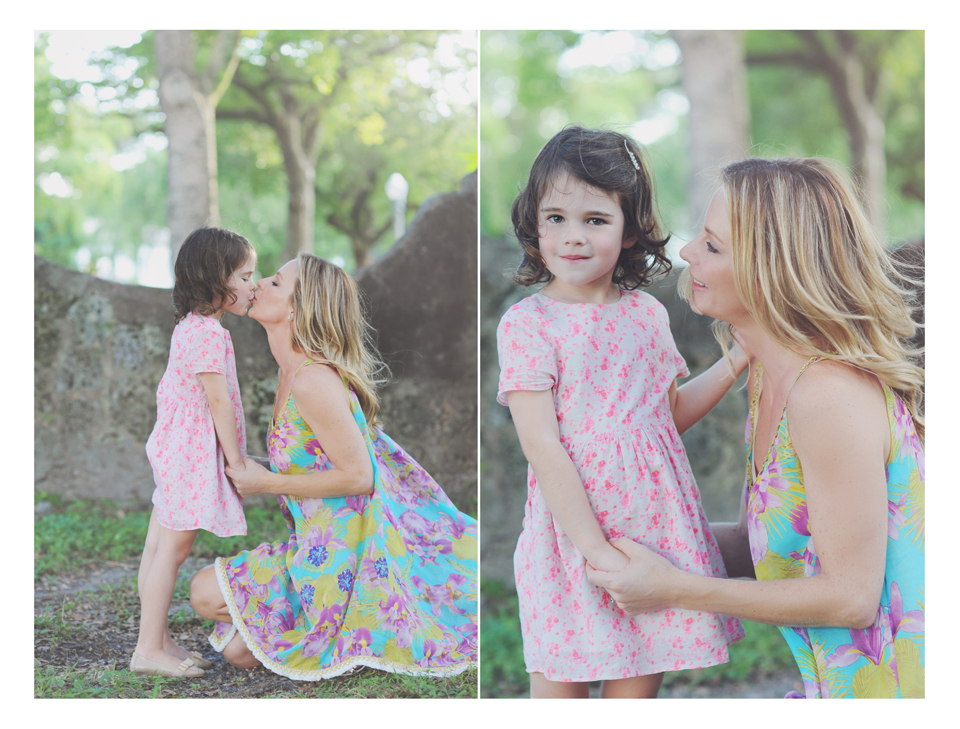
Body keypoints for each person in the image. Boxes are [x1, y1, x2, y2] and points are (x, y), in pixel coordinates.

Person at [587, 157, 925, 699]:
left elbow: (851, 597)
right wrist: (602, 548)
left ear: (774, 269)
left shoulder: (828, 395)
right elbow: (756, 543)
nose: (688, 253)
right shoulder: (772, 377)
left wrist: (674, 589)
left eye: (713, 245)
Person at [497, 126, 746, 699]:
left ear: (630, 230)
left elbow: (666, 419)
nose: (573, 237)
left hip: (649, 534)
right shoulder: (529, 323)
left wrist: (739, 359)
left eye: (595, 220)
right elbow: (542, 445)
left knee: (633, 693)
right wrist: (596, 552)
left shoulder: (645, 316)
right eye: (555, 218)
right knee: (558, 690)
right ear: (534, 223)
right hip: (572, 539)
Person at [189, 253, 478, 681]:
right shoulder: (290, 374)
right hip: (313, 543)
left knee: (203, 593)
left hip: (350, 552)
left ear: (295, 307)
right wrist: (254, 466)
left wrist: (266, 483)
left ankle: (363, 617)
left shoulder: (312, 381)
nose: (259, 283)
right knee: (238, 649)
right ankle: (342, 626)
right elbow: (312, 460)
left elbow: (360, 477)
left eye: (275, 281)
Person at [131, 227, 257, 678]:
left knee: (156, 545)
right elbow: (217, 401)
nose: (253, 285)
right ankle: (147, 649)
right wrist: (236, 460)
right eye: (244, 276)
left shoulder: (196, 327)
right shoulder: (206, 333)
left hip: (175, 449)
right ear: (215, 278)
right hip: (188, 455)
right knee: (173, 551)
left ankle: (157, 638)